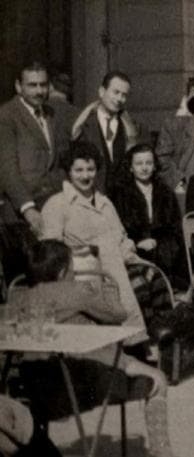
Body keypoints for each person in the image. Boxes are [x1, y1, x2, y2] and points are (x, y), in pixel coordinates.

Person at [13, 239, 176, 457]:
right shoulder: (76, 291)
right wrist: (107, 286)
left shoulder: (20, 297)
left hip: (37, 386)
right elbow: (118, 314)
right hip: (82, 383)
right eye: (72, 268)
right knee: (158, 378)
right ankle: (161, 451)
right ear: (62, 272)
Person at [40, 141, 149, 341]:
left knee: (149, 275)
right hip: (79, 272)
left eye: (90, 170)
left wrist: (134, 257)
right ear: (69, 172)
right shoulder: (57, 204)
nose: (85, 176)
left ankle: (144, 338)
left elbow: (121, 237)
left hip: (114, 265)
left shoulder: (105, 202)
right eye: (79, 170)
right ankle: (134, 338)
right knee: (107, 252)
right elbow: (51, 251)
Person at [0, 60, 64, 280]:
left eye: (43, 85)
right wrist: (28, 209)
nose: (39, 91)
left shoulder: (49, 114)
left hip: (52, 207)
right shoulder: (6, 116)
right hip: (21, 215)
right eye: (32, 85)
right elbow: (7, 168)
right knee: (26, 280)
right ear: (18, 86)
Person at [112, 143, 187, 289]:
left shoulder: (165, 192)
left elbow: (175, 228)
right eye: (139, 164)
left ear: (154, 166)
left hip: (165, 253)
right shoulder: (121, 194)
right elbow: (118, 230)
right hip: (134, 251)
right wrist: (138, 243)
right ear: (131, 167)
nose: (144, 168)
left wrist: (160, 244)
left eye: (148, 163)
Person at [71, 70, 144, 197]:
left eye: (124, 95)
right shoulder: (83, 125)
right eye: (116, 92)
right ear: (102, 91)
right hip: (91, 196)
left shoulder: (132, 127)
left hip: (122, 199)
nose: (120, 99)